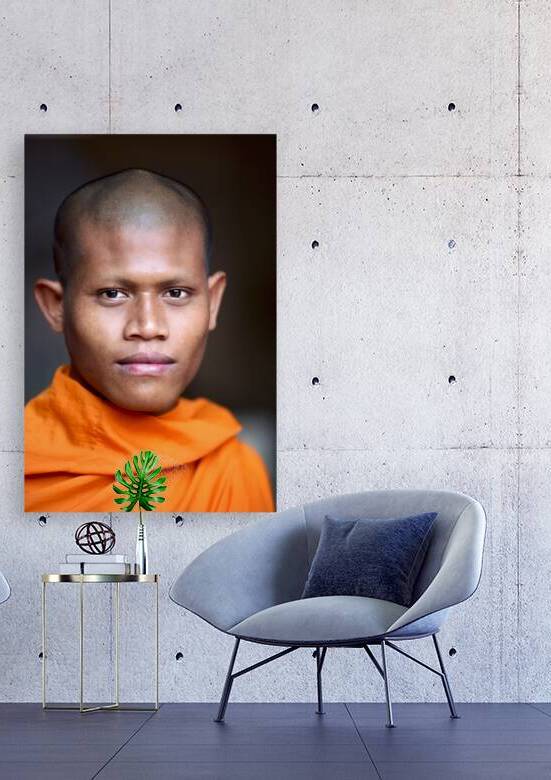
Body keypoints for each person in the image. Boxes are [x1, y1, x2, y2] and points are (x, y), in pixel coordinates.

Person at [24, 168, 275, 513]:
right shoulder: (20, 462)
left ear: (213, 302)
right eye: (112, 294)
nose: (148, 325)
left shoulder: (232, 467)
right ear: (56, 307)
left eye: (176, 292)